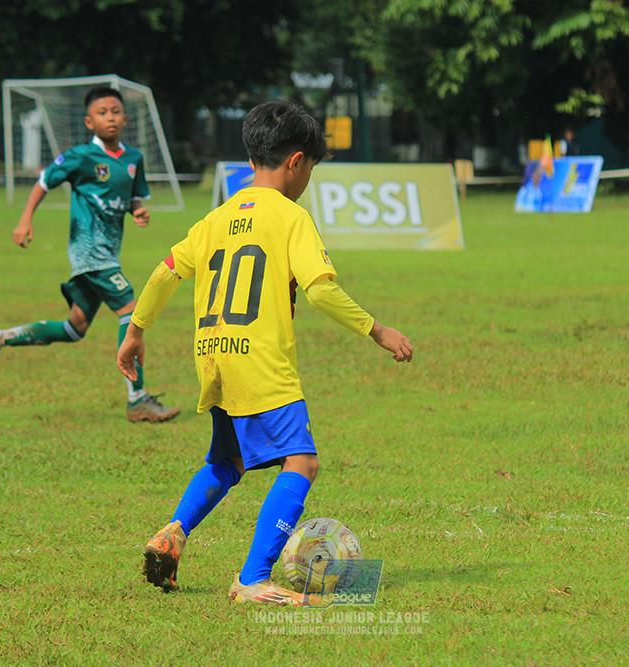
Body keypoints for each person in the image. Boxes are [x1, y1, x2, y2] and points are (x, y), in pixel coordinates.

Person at [117, 100, 413, 606]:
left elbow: (167, 269)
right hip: (259, 359)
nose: (308, 179)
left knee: (228, 460)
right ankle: (253, 578)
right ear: (296, 162)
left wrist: (136, 329)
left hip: (214, 354)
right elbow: (319, 290)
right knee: (301, 463)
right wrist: (376, 329)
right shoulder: (291, 217)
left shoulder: (217, 216)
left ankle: (173, 532)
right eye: (311, 169)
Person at [0, 87, 179, 424]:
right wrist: (25, 219)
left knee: (74, 328)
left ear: (125, 118)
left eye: (115, 111)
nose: (110, 117)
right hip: (90, 252)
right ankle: (137, 398)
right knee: (131, 310)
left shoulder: (133, 159)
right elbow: (43, 182)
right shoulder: (80, 157)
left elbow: (132, 198)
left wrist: (137, 211)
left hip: (108, 253)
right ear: (88, 121)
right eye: (102, 112)